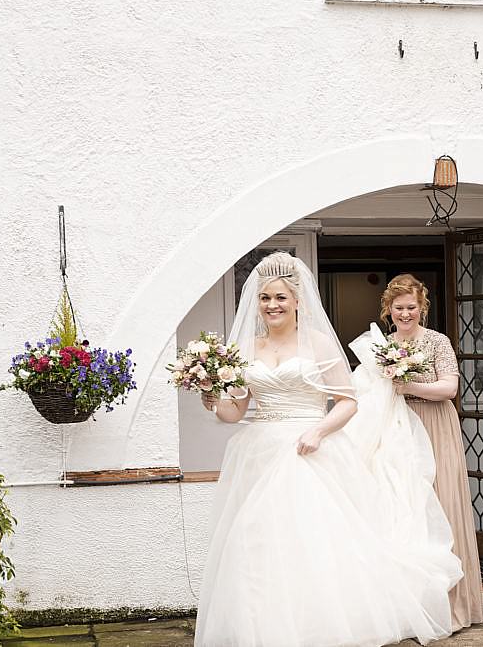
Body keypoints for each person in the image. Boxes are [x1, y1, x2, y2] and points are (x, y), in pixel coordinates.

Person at [194, 252, 461, 647]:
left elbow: (348, 401)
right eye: (266, 299)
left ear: (298, 301)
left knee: (312, 539)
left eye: (280, 298)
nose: (272, 306)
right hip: (259, 451)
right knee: (258, 540)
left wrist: (319, 431)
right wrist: (209, 396)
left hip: (309, 450)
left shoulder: (318, 344)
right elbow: (235, 411)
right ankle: (264, 627)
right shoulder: (247, 349)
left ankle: (318, 627)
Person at [373, 274, 483, 631]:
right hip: (396, 426)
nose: (405, 314)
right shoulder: (382, 345)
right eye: (399, 307)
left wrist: (409, 385)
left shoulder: (437, 341)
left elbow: (450, 387)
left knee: (440, 502)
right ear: (388, 310)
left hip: (434, 423)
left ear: (422, 307)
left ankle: (453, 605)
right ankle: (409, 608)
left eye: (412, 307)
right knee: (403, 506)